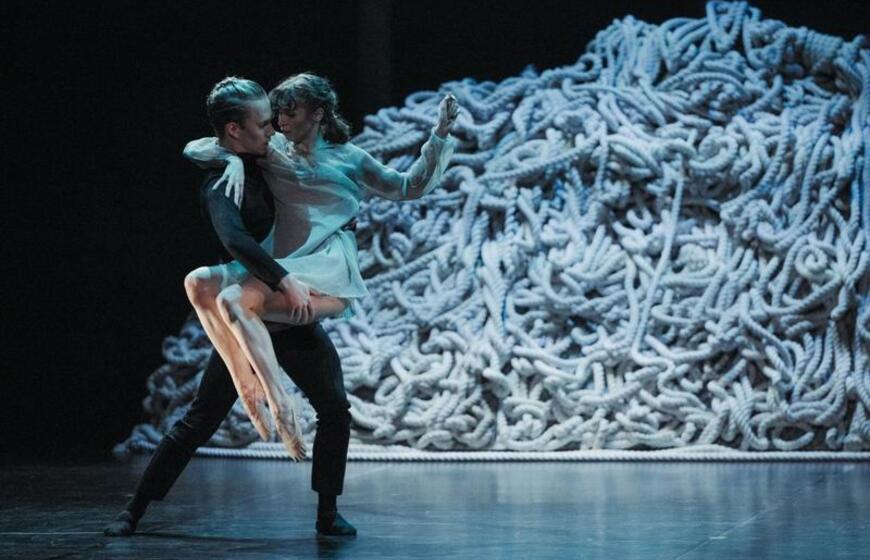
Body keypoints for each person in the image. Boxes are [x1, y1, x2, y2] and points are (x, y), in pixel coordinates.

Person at [104, 77, 357, 537]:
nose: (273, 129)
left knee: (335, 408)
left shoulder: (263, 158)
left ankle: (327, 512)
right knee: (202, 416)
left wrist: (230, 155)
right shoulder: (221, 184)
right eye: (262, 123)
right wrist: (282, 277)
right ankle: (134, 510)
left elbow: (202, 144)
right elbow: (235, 240)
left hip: (285, 314)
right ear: (236, 130)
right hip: (249, 315)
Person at [181, 72, 459, 464]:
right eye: (278, 113)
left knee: (235, 302)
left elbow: (407, 186)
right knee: (198, 282)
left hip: (327, 262)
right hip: (286, 261)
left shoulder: (349, 157)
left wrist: (440, 135)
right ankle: (246, 383)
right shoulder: (275, 149)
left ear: (318, 113)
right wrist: (230, 161)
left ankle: (281, 406)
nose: (281, 121)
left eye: (291, 113)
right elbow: (200, 145)